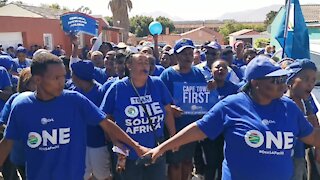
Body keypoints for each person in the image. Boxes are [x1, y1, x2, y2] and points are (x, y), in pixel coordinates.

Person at [145, 55, 320, 180]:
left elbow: (312, 136)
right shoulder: (232, 105)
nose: (282, 84)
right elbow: (198, 129)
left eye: (282, 79)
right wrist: (160, 149)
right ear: (255, 83)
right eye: (275, 81)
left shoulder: (289, 108)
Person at [0, 51, 148, 179]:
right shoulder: (22, 107)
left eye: (63, 77)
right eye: (56, 78)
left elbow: (106, 123)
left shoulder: (75, 100)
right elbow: (7, 143)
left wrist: (137, 146)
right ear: (38, 80)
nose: (62, 82)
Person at [100, 53, 176, 180]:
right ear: (129, 66)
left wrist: (173, 136)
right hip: (129, 154)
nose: (145, 66)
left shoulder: (157, 84)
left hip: (156, 150)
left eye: (147, 63)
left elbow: (168, 112)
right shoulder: (118, 88)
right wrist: (116, 142)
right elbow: (106, 119)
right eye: (140, 62)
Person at [160, 38, 209, 180]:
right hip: (174, 128)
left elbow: (203, 98)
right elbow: (161, 101)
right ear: (176, 56)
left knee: (188, 161)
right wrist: (170, 108)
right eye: (184, 54)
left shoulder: (198, 74)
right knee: (175, 164)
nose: (187, 57)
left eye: (190, 53)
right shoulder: (167, 75)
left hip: (191, 128)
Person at [70, 60, 112, 180]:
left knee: (103, 175)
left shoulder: (101, 91)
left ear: (78, 76)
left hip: (98, 143)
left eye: (72, 74)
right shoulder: (74, 91)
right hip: (80, 143)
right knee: (83, 175)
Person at [285, 59, 320, 180]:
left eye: (313, 80)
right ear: (290, 79)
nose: (310, 84)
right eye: (305, 79)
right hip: (284, 157)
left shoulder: (307, 102)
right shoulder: (282, 103)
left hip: (300, 156)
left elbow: (315, 125)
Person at [0, 68, 37, 180]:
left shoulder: (49, 100)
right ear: (26, 83)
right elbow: (2, 122)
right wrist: (15, 132)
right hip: (21, 153)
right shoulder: (15, 99)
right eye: (35, 82)